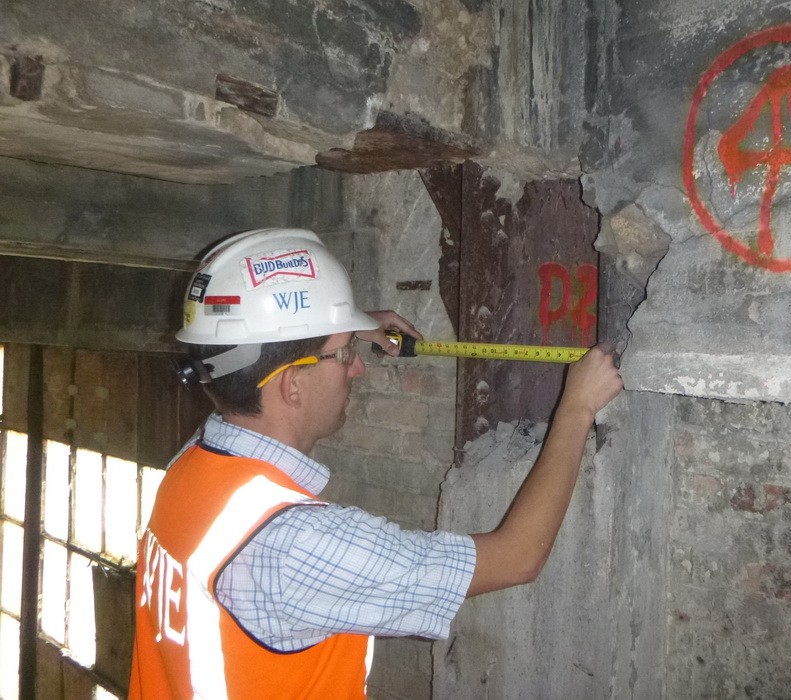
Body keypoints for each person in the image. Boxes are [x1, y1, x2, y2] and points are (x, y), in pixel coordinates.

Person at [129, 227, 623, 699]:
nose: (358, 366)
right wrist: (577, 408)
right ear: (292, 386)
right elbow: (516, 558)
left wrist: (349, 326)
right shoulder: (296, 547)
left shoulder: (194, 466)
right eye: (345, 355)